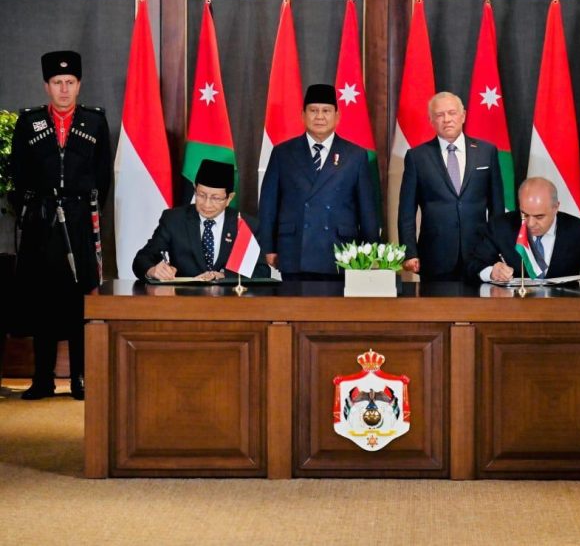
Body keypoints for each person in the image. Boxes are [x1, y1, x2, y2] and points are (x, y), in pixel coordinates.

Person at [10, 50, 112, 400]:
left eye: (70, 82)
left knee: (78, 302)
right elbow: (19, 175)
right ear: (46, 86)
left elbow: (103, 177)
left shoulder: (95, 122)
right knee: (43, 301)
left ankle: (80, 377)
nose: (64, 89)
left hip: (80, 222)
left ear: (79, 84)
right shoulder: (29, 123)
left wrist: (85, 213)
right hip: (42, 224)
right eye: (57, 82)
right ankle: (43, 378)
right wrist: (32, 211)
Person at [258, 83, 379, 280]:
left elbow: (367, 209)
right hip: (294, 251)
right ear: (303, 115)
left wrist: (371, 250)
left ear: (337, 116)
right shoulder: (283, 153)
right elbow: (268, 204)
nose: (319, 117)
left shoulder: (355, 155)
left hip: (341, 252)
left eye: (326, 111)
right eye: (313, 110)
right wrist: (268, 247)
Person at [398, 91, 505, 281]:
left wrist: (498, 248)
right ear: (431, 121)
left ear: (463, 116)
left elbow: (497, 207)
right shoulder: (417, 157)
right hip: (435, 256)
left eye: (452, 113)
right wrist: (409, 252)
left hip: (480, 255)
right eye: (440, 115)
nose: (447, 119)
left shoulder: (486, 152)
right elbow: (406, 211)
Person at [133, 159, 270, 281]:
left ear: (229, 198)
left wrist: (224, 277)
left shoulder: (245, 224)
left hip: (229, 298)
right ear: (195, 189)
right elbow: (142, 258)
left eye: (216, 198)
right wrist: (153, 270)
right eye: (201, 195)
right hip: (184, 298)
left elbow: (262, 271)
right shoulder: (174, 220)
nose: (207, 204)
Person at [466, 177, 580, 284]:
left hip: (564, 309)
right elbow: (473, 264)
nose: (530, 223)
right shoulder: (500, 227)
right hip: (512, 309)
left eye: (539, 216)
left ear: (556, 207)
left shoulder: (578, 230)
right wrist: (491, 272)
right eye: (524, 214)